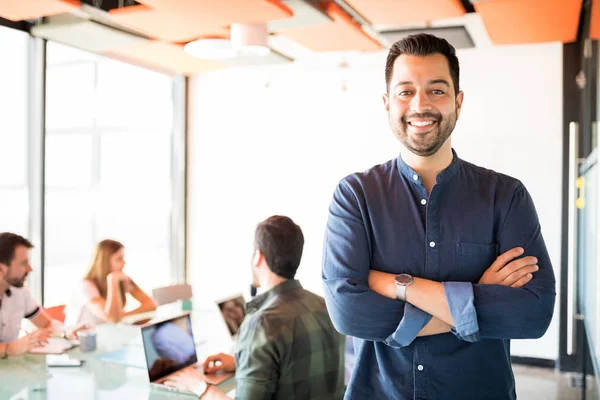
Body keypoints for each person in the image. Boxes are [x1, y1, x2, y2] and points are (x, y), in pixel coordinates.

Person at [322, 33, 556, 399]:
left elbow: (534, 314)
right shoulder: (356, 196)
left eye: (436, 90)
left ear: (458, 102)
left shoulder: (506, 196)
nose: (420, 105)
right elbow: (349, 314)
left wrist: (399, 285)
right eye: (405, 91)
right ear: (387, 102)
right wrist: (479, 297)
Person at [165, 216, 346, 399]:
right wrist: (241, 362)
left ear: (258, 257)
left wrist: (199, 386)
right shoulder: (325, 306)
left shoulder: (262, 323)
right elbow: (300, 368)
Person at [0, 232, 83, 358]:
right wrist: (9, 349)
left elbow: (46, 324)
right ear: (2, 268)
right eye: (23, 263)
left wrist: (67, 332)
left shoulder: (20, 292)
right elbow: (11, 349)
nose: (30, 269)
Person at [64, 239, 157, 326]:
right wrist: (112, 281)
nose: (124, 263)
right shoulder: (86, 286)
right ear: (104, 262)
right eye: (119, 259)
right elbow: (112, 318)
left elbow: (151, 304)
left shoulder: (122, 278)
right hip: (82, 339)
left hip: (107, 334)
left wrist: (123, 315)